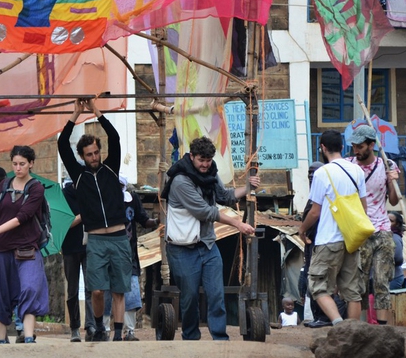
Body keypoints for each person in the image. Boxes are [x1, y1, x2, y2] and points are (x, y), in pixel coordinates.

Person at [161, 136, 257, 340]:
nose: (205, 165)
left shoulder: (211, 173)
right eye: (201, 160)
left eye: (208, 160)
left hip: (207, 244)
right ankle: (191, 337)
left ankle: (220, 338)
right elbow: (206, 212)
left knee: (216, 294)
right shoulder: (180, 181)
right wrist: (237, 224)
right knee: (190, 297)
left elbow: (225, 196)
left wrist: (248, 187)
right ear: (191, 157)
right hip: (182, 248)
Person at [57, 98, 130, 342]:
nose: (94, 157)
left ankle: (117, 334)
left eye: (97, 152)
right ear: (82, 156)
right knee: (97, 290)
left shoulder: (111, 169)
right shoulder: (78, 177)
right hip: (96, 239)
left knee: (119, 289)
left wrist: (96, 111)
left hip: (119, 236)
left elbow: (115, 138)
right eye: (89, 154)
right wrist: (77, 112)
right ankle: (99, 326)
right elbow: (61, 144)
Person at [0, 145, 50, 344]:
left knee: (30, 287)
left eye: (22, 164)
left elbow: (21, 218)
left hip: (26, 247)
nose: (18, 168)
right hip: (0, 249)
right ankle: (1, 341)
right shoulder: (4, 184)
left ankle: (29, 337)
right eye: (15, 164)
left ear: (31, 164)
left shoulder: (36, 188)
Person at [298, 130, 364, 325]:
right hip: (351, 239)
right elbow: (363, 208)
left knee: (318, 286)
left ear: (323, 148)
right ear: (343, 147)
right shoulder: (357, 171)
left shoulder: (321, 173)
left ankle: (337, 323)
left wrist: (302, 230)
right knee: (352, 291)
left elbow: (315, 212)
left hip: (328, 239)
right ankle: (353, 332)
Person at [349, 125, 399, 325]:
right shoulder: (349, 165)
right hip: (359, 230)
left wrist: (393, 181)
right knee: (359, 283)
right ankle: (361, 326)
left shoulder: (386, 164)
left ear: (372, 145)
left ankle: (382, 328)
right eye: (354, 146)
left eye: (360, 146)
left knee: (381, 280)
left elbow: (394, 201)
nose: (356, 151)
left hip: (382, 230)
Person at [120, 175, 158, 341]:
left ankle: (130, 331)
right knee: (108, 293)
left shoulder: (132, 199)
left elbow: (143, 219)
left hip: (129, 255)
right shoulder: (104, 201)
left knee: (132, 293)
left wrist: (157, 221)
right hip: (109, 251)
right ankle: (105, 329)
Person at [61, 177, 96, 342]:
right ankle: (74, 327)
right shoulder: (64, 196)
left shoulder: (90, 193)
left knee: (91, 287)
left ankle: (91, 326)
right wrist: (83, 215)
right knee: (73, 289)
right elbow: (64, 223)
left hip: (89, 246)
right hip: (70, 248)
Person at [298, 161, 324, 325]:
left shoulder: (322, 198)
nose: (311, 178)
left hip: (320, 246)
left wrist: (303, 230)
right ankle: (318, 317)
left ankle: (322, 317)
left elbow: (315, 216)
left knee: (318, 281)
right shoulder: (311, 199)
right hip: (310, 247)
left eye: (314, 175)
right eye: (309, 175)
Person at [388, 211, 405, 290]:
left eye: (391, 221)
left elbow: (398, 258)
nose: (387, 222)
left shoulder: (395, 237)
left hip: (394, 277)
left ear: (397, 224)